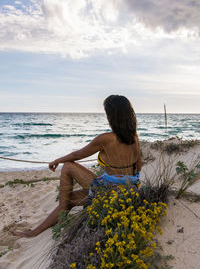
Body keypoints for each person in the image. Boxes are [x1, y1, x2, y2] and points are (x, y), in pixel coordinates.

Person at [12, 95, 141, 237]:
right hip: (129, 192)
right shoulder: (134, 136)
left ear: (112, 115)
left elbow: (77, 155)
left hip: (110, 191)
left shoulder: (106, 138)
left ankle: (55, 220)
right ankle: (35, 232)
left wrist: (57, 160)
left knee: (67, 166)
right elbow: (138, 167)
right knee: (71, 199)